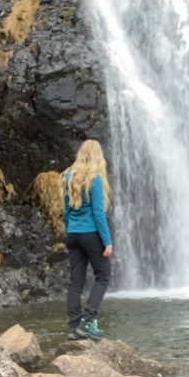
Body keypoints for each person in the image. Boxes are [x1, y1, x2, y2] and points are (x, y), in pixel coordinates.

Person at [62, 139, 113, 341]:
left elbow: (66, 210)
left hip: (73, 234)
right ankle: (88, 321)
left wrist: (70, 229)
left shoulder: (68, 175)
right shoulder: (96, 178)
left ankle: (74, 326)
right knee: (103, 275)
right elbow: (98, 212)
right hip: (91, 233)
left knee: (76, 282)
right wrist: (107, 241)